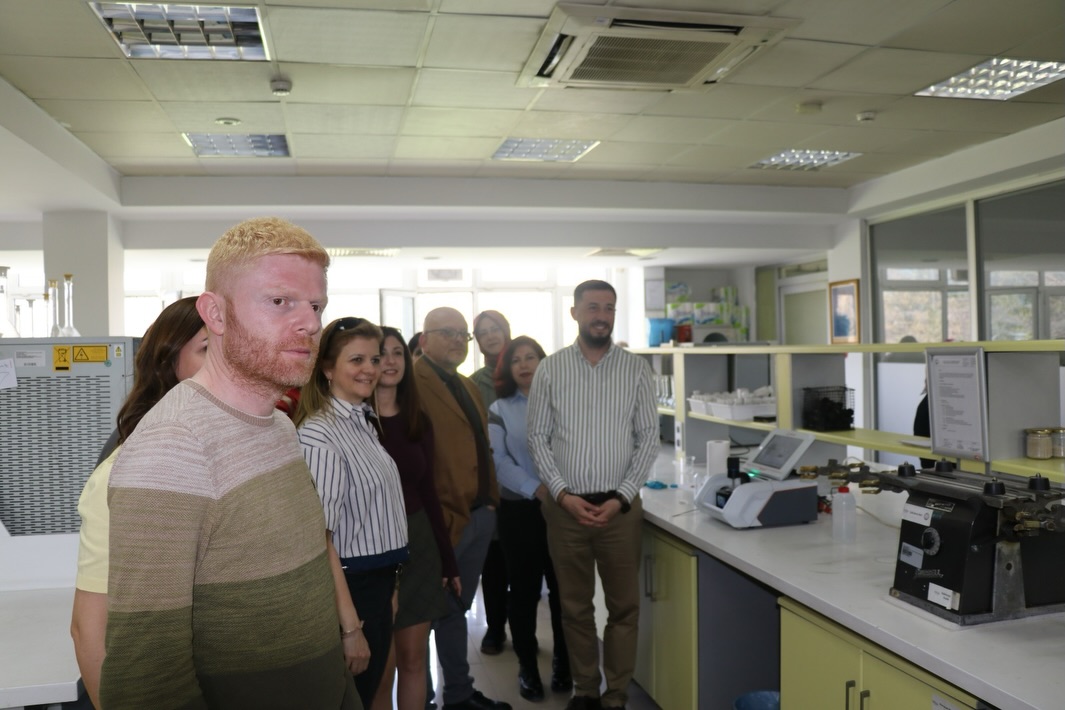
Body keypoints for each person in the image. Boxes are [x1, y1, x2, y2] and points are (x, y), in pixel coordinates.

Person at [99, 217, 360, 709]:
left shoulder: (278, 426)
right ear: (215, 314)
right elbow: (146, 680)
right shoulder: (172, 446)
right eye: (280, 301)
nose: (310, 324)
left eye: (315, 306)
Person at [70, 296, 207, 709]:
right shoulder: (130, 464)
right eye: (207, 350)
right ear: (168, 362)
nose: (226, 366)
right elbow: (89, 628)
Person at [527, 280, 658, 710]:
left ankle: (616, 694)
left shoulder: (636, 369)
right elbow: (538, 437)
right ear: (575, 313)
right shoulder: (551, 369)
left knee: (624, 609)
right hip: (566, 510)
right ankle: (585, 690)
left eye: (609, 308)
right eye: (593, 307)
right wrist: (562, 494)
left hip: (620, 510)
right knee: (575, 607)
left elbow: (648, 438)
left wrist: (622, 497)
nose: (602, 316)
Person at [296, 317, 410, 708]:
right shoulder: (319, 434)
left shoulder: (362, 421)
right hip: (350, 590)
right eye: (356, 360)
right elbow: (320, 538)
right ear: (328, 369)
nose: (370, 369)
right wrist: (350, 627)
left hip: (376, 585)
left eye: (374, 359)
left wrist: (390, 589)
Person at [414, 307, 510, 710]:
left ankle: (458, 694)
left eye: (462, 335)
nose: (457, 340)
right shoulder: (410, 382)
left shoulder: (466, 385)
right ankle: (420, 699)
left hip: (479, 514)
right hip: (442, 520)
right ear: (424, 340)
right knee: (421, 620)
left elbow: (480, 448)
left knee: (455, 610)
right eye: (447, 333)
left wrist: (490, 503)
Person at [370, 326, 460, 710]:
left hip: (418, 544)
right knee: (381, 666)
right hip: (371, 549)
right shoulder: (353, 422)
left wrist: (448, 560)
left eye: (396, 353)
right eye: (379, 355)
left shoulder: (417, 420)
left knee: (412, 658)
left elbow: (429, 493)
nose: (390, 362)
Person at [488, 335, 571, 702]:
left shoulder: (565, 404)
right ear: (508, 369)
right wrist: (537, 489)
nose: (524, 364)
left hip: (566, 510)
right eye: (516, 359)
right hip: (521, 511)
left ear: (543, 362)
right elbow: (498, 461)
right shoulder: (500, 409)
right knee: (523, 592)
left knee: (564, 592)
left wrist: (561, 492)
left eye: (531, 357)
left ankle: (564, 664)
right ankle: (527, 667)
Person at [471, 310, 512, 656]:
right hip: (492, 485)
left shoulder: (529, 370)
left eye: (495, 328)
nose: (490, 336)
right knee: (494, 562)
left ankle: (527, 632)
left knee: (528, 563)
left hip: (533, 485)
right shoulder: (472, 383)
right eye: (483, 332)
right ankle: (496, 628)